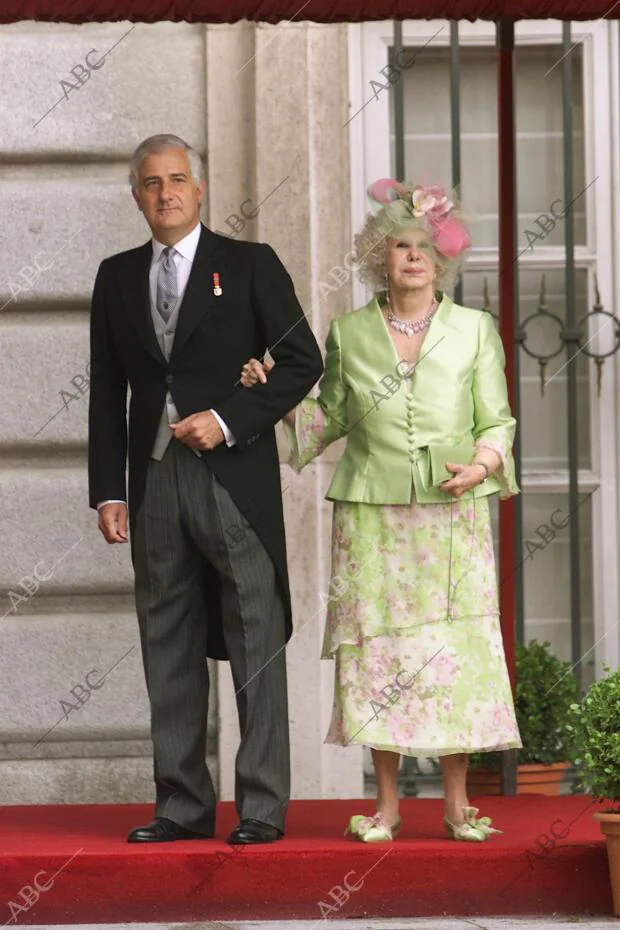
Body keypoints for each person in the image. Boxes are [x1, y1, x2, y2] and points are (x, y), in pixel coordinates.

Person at [240, 179, 521, 843]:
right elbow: (328, 418)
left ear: (443, 258)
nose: (414, 256)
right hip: (373, 521)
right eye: (400, 245)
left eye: (425, 246)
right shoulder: (349, 334)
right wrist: (273, 394)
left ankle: (456, 806)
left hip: (453, 517)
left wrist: (482, 465)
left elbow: (498, 420)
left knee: (453, 652)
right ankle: (387, 806)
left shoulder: (476, 331)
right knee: (382, 659)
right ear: (379, 256)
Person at [88, 133, 323, 845]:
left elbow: (300, 361)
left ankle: (260, 806)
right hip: (154, 480)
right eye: (152, 183)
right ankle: (183, 804)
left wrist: (226, 419)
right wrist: (109, 491)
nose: (166, 193)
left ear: (200, 190)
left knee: (255, 634)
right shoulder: (117, 275)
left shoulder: (248, 266)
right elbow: (108, 392)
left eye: (179, 180)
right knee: (167, 638)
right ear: (138, 196)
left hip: (232, 479)